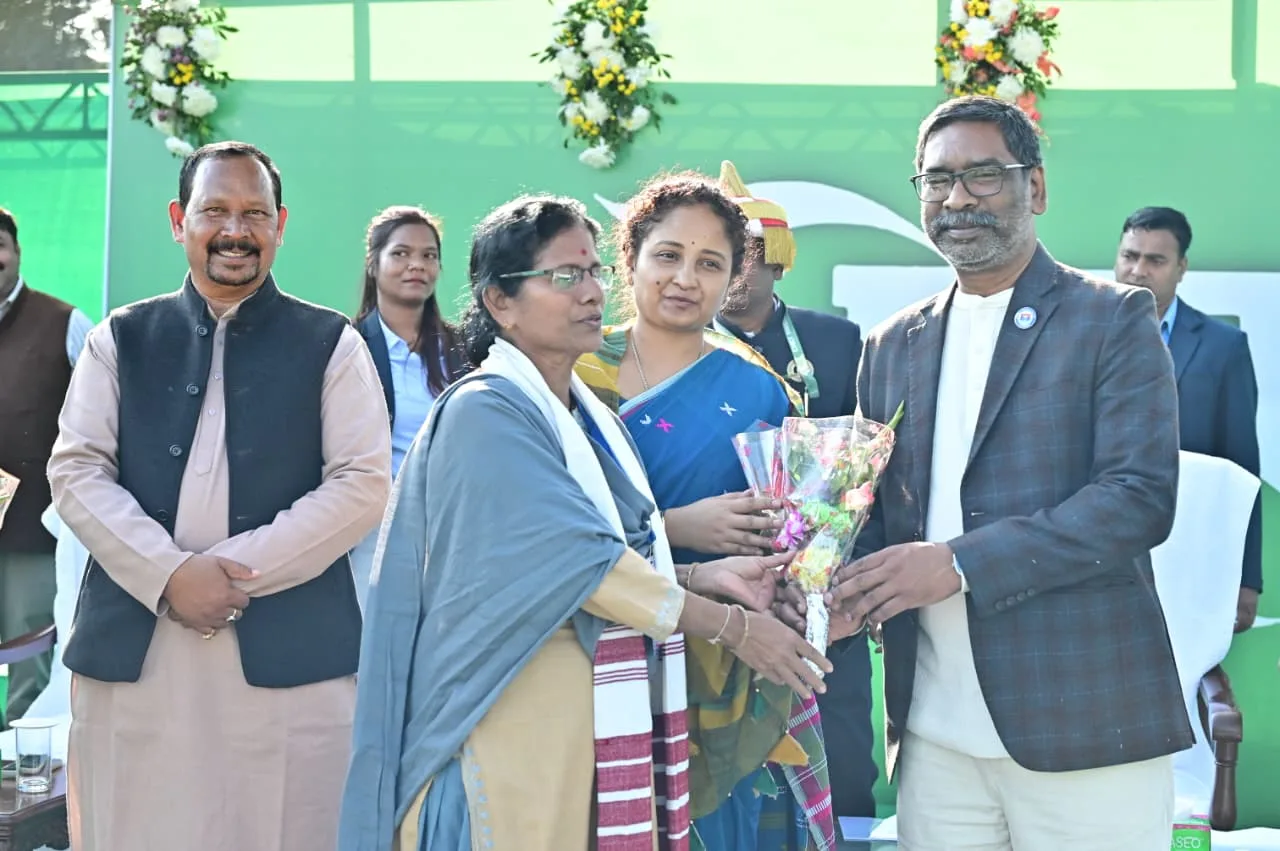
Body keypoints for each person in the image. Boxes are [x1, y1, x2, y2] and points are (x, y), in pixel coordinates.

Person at [340, 194, 829, 851]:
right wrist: (736, 627)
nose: (591, 291)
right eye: (565, 276)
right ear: (499, 302)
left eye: (594, 272)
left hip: (594, 729)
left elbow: (621, 550)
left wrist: (716, 575)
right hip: (506, 729)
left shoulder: (583, 418)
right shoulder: (487, 412)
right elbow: (579, 561)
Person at [812, 96, 1192, 850]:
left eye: (985, 176)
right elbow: (881, 521)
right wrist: (835, 591)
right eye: (937, 179)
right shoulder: (891, 344)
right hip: (933, 737)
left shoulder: (1112, 318)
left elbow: (1137, 499)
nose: (957, 198)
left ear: (1037, 189)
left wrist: (954, 566)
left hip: (1081, 724)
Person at [46, 140, 392, 851]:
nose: (235, 230)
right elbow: (77, 469)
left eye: (253, 213)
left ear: (280, 225)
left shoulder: (331, 343)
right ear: (179, 220)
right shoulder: (122, 337)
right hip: (139, 651)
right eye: (215, 211)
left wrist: (232, 576)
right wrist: (169, 574)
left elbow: (362, 483)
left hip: (288, 657)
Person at [575, 173, 837, 851]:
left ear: (734, 279)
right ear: (627, 258)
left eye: (710, 263)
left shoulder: (758, 387)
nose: (685, 278)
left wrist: (800, 569)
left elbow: (793, 534)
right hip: (590, 651)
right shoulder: (571, 372)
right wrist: (677, 527)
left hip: (723, 663)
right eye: (667, 255)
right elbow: (544, 532)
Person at [711, 160, 877, 820]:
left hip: (827, 596)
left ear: (776, 259)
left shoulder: (838, 342)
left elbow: (871, 469)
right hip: (728, 588)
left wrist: (847, 577)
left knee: (841, 770)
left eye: (744, 255)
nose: (729, 270)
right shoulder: (677, 351)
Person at [1114, 206, 1262, 631]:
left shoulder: (1223, 348)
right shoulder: (1074, 336)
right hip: (1093, 553)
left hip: (1188, 555)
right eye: (1129, 256)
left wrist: (1245, 577)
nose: (1138, 270)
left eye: (1155, 260)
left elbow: (1242, 468)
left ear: (1182, 268)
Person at [0, 207, 94, 724]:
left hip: (31, 528)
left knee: (27, 650)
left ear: (16, 252)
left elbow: (109, 409)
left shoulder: (65, 322)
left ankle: (18, 785)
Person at [351, 205, 466, 609]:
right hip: (372, 534)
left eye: (428, 255)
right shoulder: (347, 347)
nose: (416, 264)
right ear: (373, 263)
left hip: (451, 531)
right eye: (400, 253)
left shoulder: (463, 351)